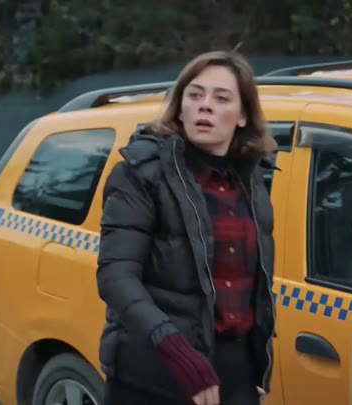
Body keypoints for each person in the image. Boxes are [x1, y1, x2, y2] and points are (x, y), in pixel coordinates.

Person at [96, 49, 278, 405]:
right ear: (180, 109)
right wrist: (175, 350)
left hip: (233, 372)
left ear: (243, 116)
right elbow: (116, 277)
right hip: (153, 371)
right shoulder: (141, 174)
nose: (205, 106)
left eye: (221, 98)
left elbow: (256, 287)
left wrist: (256, 365)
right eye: (195, 95)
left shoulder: (253, 180)